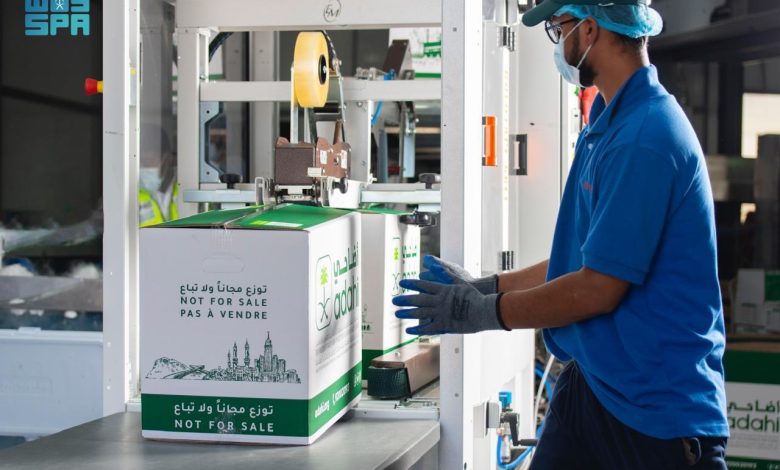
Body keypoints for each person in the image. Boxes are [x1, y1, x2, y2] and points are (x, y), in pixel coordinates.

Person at [392, 1, 729, 468]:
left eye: (559, 28)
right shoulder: (607, 125)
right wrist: (485, 285)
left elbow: (597, 289)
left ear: (589, 29)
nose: (558, 42)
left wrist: (483, 311)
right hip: (596, 383)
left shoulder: (645, 137)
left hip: (654, 410)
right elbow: (583, 260)